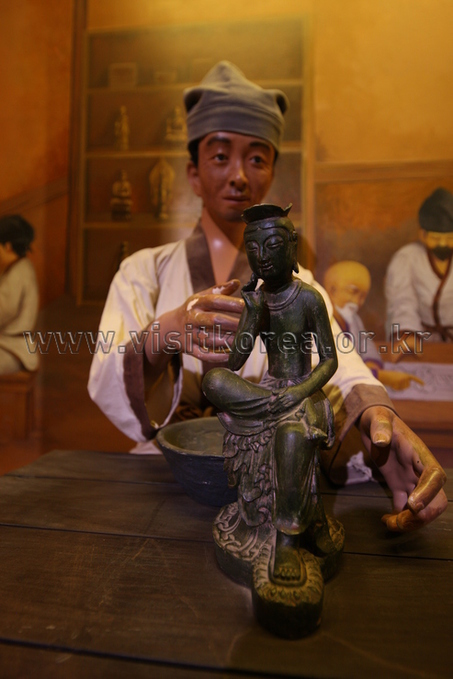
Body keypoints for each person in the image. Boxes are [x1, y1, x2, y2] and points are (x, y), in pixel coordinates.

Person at [88, 61, 447, 533]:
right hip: (171, 475)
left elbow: (340, 362)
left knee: (298, 434)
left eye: (257, 159)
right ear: (193, 174)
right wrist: (167, 332)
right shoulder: (142, 272)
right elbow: (107, 374)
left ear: (272, 171)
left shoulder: (300, 286)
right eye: (221, 157)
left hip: (276, 462)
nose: (239, 175)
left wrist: (375, 415)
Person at [203, 204, 339, 583]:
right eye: (253, 248)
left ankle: (288, 540)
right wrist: (250, 314)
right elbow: (234, 362)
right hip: (269, 392)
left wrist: (298, 393)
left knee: (291, 437)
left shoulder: (308, 298)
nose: (262, 256)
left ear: (291, 248)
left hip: (303, 390)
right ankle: (273, 410)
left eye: (273, 245)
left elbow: (329, 361)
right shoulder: (259, 300)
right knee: (213, 381)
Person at [324, 260, 424, 390]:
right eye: (353, 292)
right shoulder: (321, 321)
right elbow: (336, 372)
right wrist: (382, 376)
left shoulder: (354, 320)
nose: (357, 301)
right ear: (332, 291)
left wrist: (372, 364)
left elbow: (367, 345)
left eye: (362, 296)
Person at [385, 187, 453, 352]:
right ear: (423, 235)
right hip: (420, 342)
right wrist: (408, 334)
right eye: (435, 238)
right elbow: (402, 300)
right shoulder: (406, 258)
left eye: (449, 238)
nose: (443, 244)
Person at [0, 214, 39, 374]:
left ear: (8, 246)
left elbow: (4, 311)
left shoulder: (18, 274)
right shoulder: (18, 268)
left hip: (14, 350)